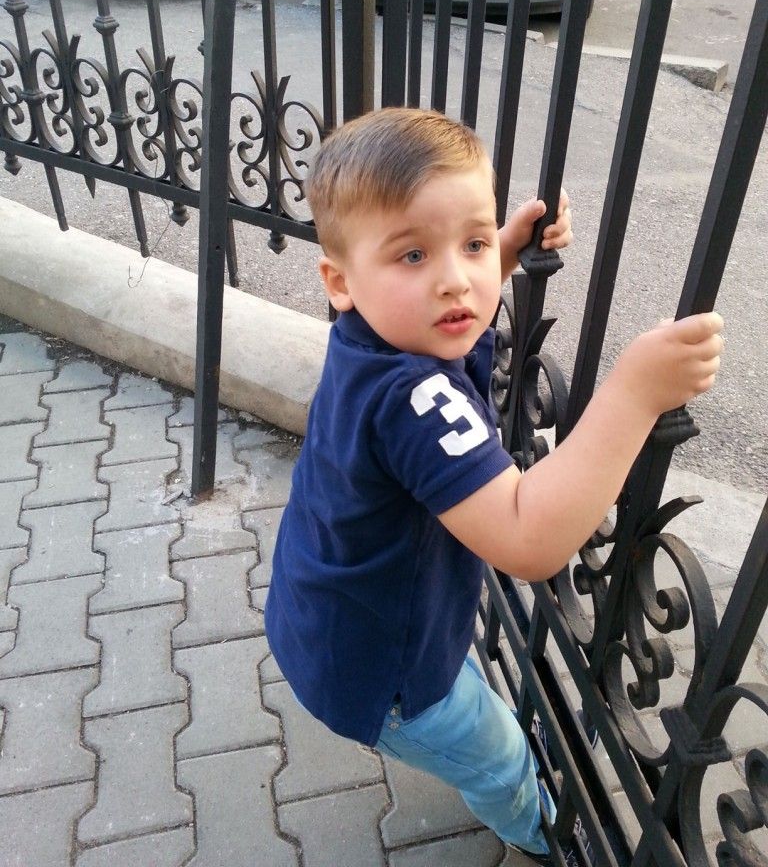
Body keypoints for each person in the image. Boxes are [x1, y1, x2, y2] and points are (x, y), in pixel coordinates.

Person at [264, 107, 723, 863]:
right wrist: (638, 391)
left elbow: (448, 299)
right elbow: (528, 538)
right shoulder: (412, 397)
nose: (456, 281)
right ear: (340, 282)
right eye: (413, 254)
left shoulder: (370, 339)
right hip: (387, 678)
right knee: (501, 756)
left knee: (468, 707)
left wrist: (503, 251)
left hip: (329, 619)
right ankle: (538, 829)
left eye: (470, 243)